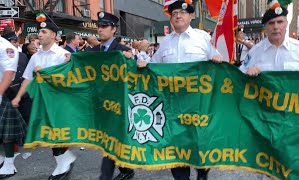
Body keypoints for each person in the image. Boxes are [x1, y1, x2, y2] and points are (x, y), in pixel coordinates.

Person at [138, 1, 223, 180]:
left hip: (197, 104)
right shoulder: (166, 42)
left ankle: (202, 173)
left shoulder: (203, 38)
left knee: (199, 144)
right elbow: (155, 66)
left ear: (191, 16)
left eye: (182, 12)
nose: (178, 15)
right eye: (174, 13)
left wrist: (216, 58)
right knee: (175, 145)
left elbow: (217, 61)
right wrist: (144, 63)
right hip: (172, 105)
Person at [11, 20, 75, 180]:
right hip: (42, 103)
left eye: (44, 32)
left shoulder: (63, 55)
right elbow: (27, 79)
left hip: (60, 102)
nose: (40, 34)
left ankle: (63, 164)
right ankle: (65, 160)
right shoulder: (36, 57)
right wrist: (18, 96)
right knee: (49, 134)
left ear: (54, 35)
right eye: (39, 32)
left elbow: (70, 79)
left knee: (56, 134)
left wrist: (68, 64)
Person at [86, 11, 134, 180]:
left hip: (119, 104)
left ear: (114, 29)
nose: (100, 29)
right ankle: (126, 169)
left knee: (110, 140)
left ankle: (104, 176)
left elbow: (134, 74)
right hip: (100, 104)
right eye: (98, 26)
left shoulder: (123, 50)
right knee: (112, 139)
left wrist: (132, 60)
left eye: (104, 26)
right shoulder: (92, 52)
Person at [239, 4, 299, 75]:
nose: (276, 27)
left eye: (280, 22)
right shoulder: (255, 52)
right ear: (265, 27)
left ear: (286, 24)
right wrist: (247, 73)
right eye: (271, 23)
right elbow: (239, 76)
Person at [0, 29, 26, 180]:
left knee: (7, 132)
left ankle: (9, 164)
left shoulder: (6, 47)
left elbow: (9, 73)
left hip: (5, 92)